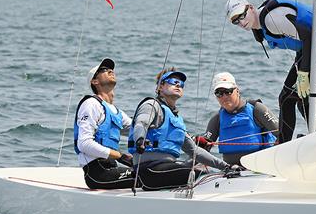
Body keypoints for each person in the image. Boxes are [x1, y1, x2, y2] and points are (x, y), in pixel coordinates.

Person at [128, 68, 238, 191]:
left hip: (166, 168)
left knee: (213, 173)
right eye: (173, 81)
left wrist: (226, 167)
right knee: (203, 176)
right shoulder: (151, 105)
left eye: (181, 84)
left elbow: (194, 150)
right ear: (160, 87)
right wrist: (140, 140)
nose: (177, 85)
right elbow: (141, 123)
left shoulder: (176, 119)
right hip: (149, 170)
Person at [226, 0, 315, 143]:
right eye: (235, 21)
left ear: (251, 8)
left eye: (242, 15)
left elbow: (310, 36)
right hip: (307, 50)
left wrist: (304, 73)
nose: (241, 23)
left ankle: (287, 142)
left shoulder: (271, 19)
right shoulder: (259, 24)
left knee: (290, 98)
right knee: (292, 99)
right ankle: (305, 137)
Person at [74, 58, 135, 190]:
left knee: (152, 171)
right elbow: (84, 144)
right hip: (97, 173)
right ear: (94, 81)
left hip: (111, 168)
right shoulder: (91, 104)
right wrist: (120, 156)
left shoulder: (116, 112)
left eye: (111, 69)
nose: (110, 71)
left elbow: (139, 130)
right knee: (146, 175)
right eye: (104, 70)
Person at [197, 72, 278, 167]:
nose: (224, 97)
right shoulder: (217, 119)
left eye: (228, 92)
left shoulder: (257, 110)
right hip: (231, 171)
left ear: (237, 91)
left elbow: (283, 134)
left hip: (261, 168)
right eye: (219, 93)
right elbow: (203, 148)